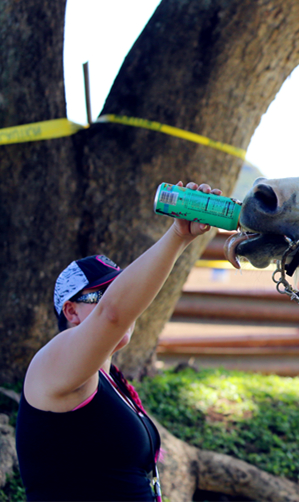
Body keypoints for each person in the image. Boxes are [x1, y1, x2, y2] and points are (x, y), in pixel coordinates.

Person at [15, 181, 221, 501]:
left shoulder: (107, 379)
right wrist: (178, 236)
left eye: (122, 289)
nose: (128, 306)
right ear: (71, 310)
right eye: (106, 293)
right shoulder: (52, 363)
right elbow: (112, 314)